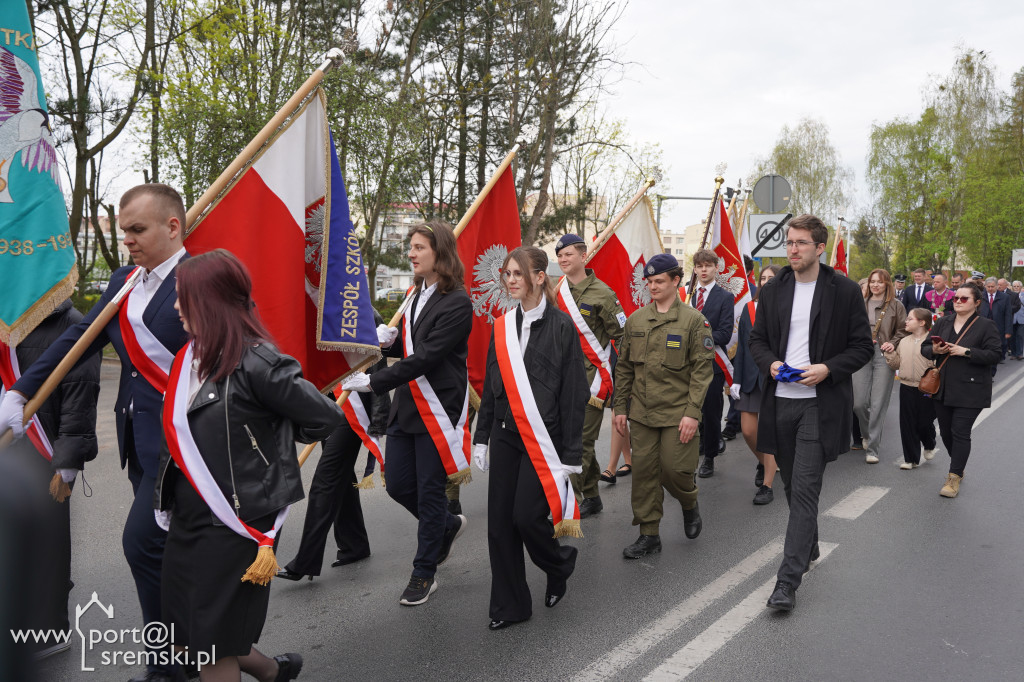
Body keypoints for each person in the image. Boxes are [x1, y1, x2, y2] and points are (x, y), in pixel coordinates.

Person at [0, 183, 189, 682]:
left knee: (142, 545)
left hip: (187, 446)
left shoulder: (199, 278)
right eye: (124, 230)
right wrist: (20, 392)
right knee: (172, 554)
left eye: (137, 229)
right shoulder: (126, 279)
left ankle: (170, 664)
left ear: (173, 226)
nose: (126, 239)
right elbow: (76, 341)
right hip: (139, 441)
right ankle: (208, 655)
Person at [155, 249, 341, 682]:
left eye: (184, 296)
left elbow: (324, 417)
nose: (178, 306)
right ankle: (274, 672)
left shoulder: (257, 361)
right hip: (190, 515)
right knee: (187, 634)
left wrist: (268, 443)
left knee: (212, 645)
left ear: (210, 300)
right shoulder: (190, 359)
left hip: (236, 522)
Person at [344, 221, 472, 606]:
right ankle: (446, 527)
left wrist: (373, 382)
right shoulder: (416, 294)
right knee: (398, 484)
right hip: (409, 404)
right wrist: (388, 340)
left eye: (419, 248)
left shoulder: (458, 302)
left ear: (440, 252)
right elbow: (414, 345)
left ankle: (424, 572)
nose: (412, 254)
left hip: (437, 407)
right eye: (411, 248)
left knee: (430, 492)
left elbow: (430, 356)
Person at [749, 214, 873, 611]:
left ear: (820, 248)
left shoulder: (844, 291)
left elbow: (861, 347)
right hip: (779, 402)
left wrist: (827, 369)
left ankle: (787, 583)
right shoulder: (773, 290)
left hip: (819, 406)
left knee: (804, 488)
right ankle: (810, 541)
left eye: (802, 243)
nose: (793, 249)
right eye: (789, 242)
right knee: (791, 487)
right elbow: (757, 340)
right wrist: (769, 364)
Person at [472, 246, 587, 631]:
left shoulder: (562, 327)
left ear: (540, 277)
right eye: (507, 274)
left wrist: (571, 453)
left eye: (518, 273)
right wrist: (482, 436)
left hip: (544, 439)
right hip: (505, 433)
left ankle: (559, 565)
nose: (511, 280)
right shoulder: (502, 325)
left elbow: (574, 393)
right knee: (499, 524)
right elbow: (491, 384)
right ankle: (510, 605)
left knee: (526, 518)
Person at [0, 300, 100, 660]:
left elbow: (80, 390)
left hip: (42, 451)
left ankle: (47, 631)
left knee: (46, 548)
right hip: (5, 444)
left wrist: (69, 457)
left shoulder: (68, 322)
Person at [276, 310, 391, 581]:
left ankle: (305, 561)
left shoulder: (356, 307)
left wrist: (378, 418)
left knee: (324, 482)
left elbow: (377, 363)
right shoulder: (312, 304)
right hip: (327, 404)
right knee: (340, 477)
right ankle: (354, 545)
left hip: (353, 407)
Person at [614, 253, 713, 559]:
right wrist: (620, 407)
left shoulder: (694, 321)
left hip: (677, 412)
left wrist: (692, 414)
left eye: (659, 281)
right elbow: (625, 367)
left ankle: (689, 501)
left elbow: (701, 371)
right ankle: (648, 534)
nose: (653, 287)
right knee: (644, 473)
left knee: (674, 470)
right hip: (643, 412)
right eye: (650, 282)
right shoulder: (636, 320)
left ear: (675, 281)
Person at [554, 233, 625, 517]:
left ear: (584, 256)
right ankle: (592, 494)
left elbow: (622, 339)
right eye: (559, 256)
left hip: (592, 383)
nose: (562, 259)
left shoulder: (603, 294)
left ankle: (566, 504)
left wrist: (623, 385)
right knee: (569, 440)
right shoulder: (556, 291)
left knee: (579, 442)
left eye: (568, 254)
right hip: (561, 381)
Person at [922, 282, 1002, 498]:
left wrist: (966, 352)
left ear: (976, 303)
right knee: (946, 433)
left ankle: (954, 477)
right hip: (943, 387)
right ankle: (958, 463)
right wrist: (935, 349)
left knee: (960, 432)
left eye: (963, 298)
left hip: (971, 389)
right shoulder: (944, 322)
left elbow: (995, 354)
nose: (957, 301)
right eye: (955, 298)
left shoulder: (986, 325)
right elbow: (925, 348)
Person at [730, 265, 780, 505]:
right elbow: (741, 346)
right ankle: (763, 462)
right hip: (749, 378)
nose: (767, 281)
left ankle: (767, 485)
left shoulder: (786, 308)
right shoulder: (749, 307)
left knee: (768, 432)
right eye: (763, 278)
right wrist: (736, 379)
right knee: (749, 431)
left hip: (774, 379)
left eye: (772, 278)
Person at [852, 269, 908, 464]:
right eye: (872, 282)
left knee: (878, 404)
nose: (875, 285)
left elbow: (903, 330)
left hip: (883, 355)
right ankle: (866, 434)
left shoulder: (896, 305)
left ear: (887, 285)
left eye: (879, 282)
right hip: (860, 353)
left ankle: (873, 449)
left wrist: (892, 342)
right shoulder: (860, 303)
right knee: (859, 403)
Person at [690, 248, 734, 479]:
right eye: (699, 266)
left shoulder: (725, 297)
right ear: (695, 269)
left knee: (711, 411)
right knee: (690, 410)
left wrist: (696, 337)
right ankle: (700, 443)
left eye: (708, 265)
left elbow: (725, 334)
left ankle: (709, 457)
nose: (703, 270)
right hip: (687, 364)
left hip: (713, 364)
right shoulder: (685, 296)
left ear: (716, 268)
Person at [884, 308, 938, 469]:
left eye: (910, 319)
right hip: (906, 386)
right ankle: (911, 459)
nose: (905, 322)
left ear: (922, 322)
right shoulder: (904, 341)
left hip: (927, 389)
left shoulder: (932, 342)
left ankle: (929, 443)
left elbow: (938, 365)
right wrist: (890, 353)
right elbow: (896, 364)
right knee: (907, 423)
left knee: (924, 422)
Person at [600, 344, 633, 484]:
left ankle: (611, 468)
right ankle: (628, 461)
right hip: (615, 365)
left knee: (617, 417)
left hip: (632, 367)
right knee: (619, 417)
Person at [980, 277, 1013, 365]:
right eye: (988, 287)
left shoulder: (1005, 297)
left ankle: (997, 360)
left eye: (992, 286)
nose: (990, 289)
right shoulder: (980, 296)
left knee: (998, 345)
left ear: (997, 286)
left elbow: (1008, 314)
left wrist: (1008, 331)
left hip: (999, 326)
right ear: (985, 286)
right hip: (983, 326)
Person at [1012, 281, 1024, 360]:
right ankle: (1013, 353)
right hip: (1012, 319)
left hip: (1021, 319)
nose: (1016, 288)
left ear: (1021, 287)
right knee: (1012, 337)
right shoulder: (1010, 296)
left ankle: (1019, 353)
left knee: (1020, 336)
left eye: (1018, 286)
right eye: (1015, 286)